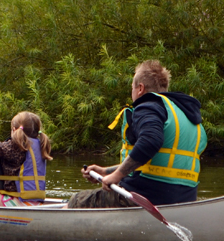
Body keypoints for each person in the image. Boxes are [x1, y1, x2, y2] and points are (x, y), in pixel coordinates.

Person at [69, 60, 205, 208]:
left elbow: (150, 142)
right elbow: (154, 164)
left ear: (140, 88)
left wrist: (116, 176)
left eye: (132, 88)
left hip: (145, 197)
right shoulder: (184, 115)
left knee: (76, 200)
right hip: (183, 200)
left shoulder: (147, 106)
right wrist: (106, 171)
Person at [0, 111, 53, 207]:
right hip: (36, 202)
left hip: (19, 202)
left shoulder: (16, 146)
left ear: (14, 130)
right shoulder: (40, 144)